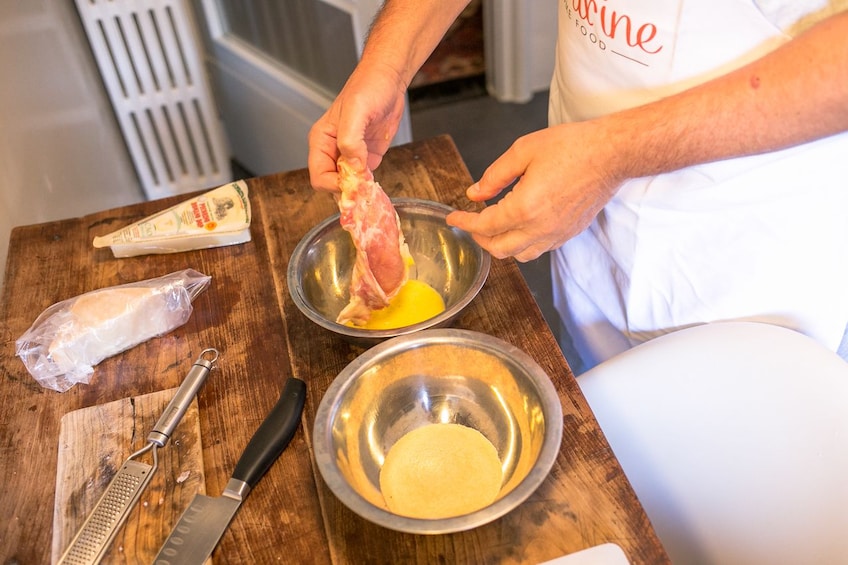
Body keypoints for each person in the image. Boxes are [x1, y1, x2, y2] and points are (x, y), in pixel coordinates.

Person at [308, 1, 848, 374]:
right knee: (602, 421)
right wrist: (387, 62)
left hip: (739, 241)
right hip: (583, 216)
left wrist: (612, 154)